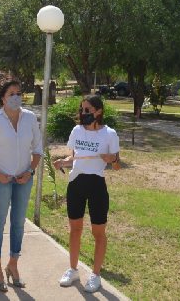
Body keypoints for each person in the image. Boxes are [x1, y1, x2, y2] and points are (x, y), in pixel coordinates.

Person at [0, 79, 42, 292]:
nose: (16, 97)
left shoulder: (30, 118)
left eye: (19, 93)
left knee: (19, 224)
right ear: (2, 98)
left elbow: (38, 149)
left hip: (24, 179)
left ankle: (13, 265)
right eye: (11, 93)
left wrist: (30, 171)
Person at [53, 95, 120, 293]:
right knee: (75, 229)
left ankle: (96, 275)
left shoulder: (109, 134)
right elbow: (75, 157)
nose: (84, 113)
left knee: (98, 232)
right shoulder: (77, 131)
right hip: (76, 184)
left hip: (96, 185)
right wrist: (63, 162)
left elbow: (116, 166)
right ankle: (73, 270)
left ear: (98, 111)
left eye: (88, 110)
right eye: (82, 110)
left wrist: (112, 158)